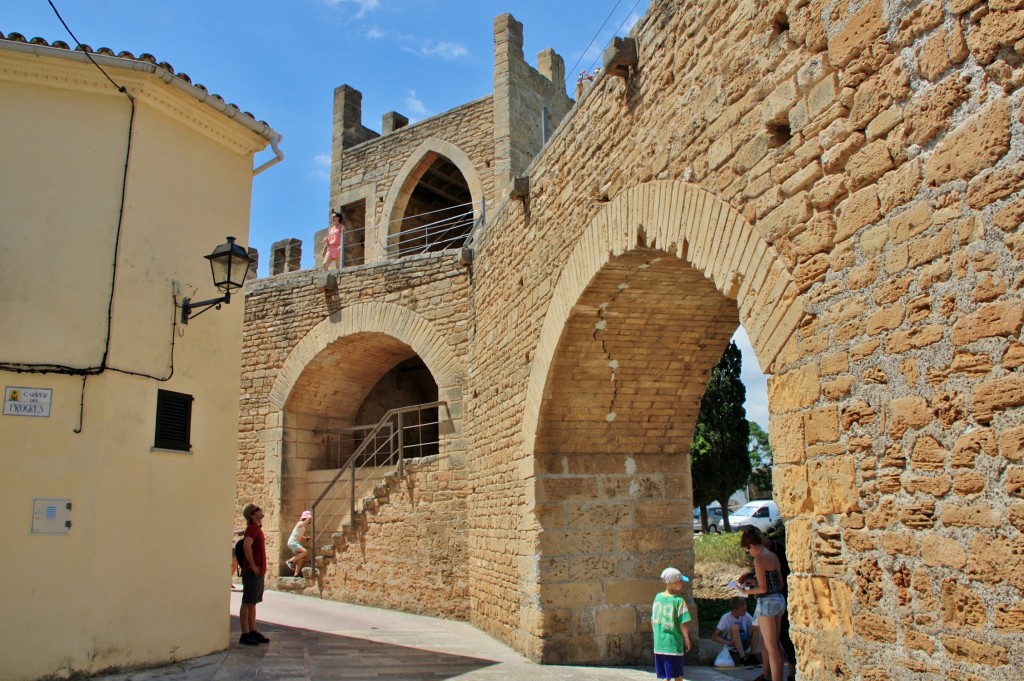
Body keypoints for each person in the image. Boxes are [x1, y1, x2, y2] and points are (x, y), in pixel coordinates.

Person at [740, 526, 795, 681]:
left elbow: (763, 588)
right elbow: (780, 584)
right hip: (779, 600)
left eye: (747, 550)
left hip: (767, 602)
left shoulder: (759, 559)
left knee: (770, 647)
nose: (748, 553)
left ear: (750, 546)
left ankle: (773, 678)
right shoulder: (773, 556)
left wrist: (744, 590)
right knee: (776, 645)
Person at [651, 567, 692, 681]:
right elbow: (683, 624)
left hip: (659, 644)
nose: (682, 583)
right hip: (673, 645)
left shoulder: (657, 598)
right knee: (678, 675)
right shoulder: (679, 601)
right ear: (674, 583)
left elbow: (653, 620)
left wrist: (657, 636)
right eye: (680, 581)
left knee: (665, 676)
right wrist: (687, 640)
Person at [239, 503, 269, 646]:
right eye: (258, 509)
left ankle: (252, 631)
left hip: (257, 571)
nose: (260, 510)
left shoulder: (256, 529)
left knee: (252, 603)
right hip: (252, 572)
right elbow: (246, 545)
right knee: (247, 603)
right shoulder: (252, 529)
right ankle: (245, 634)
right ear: (252, 515)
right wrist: (252, 565)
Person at [711, 596, 760, 667]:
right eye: (742, 610)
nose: (744, 612)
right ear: (735, 610)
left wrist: (750, 637)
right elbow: (714, 637)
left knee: (755, 628)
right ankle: (743, 658)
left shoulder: (746, 615)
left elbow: (753, 627)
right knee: (734, 627)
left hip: (743, 641)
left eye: (745, 609)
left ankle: (752, 656)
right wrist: (727, 642)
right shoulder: (726, 617)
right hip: (731, 644)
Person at [285, 510, 311, 576]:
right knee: (305, 552)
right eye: (309, 519)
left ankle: (296, 574)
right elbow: (301, 524)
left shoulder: (303, 527)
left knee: (301, 557)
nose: (309, 520)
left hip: (295, 542)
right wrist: (307, 520)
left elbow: (299, 534)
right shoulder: (299, 523)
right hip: (292, 542)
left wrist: (305, 537)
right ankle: (290, 561)